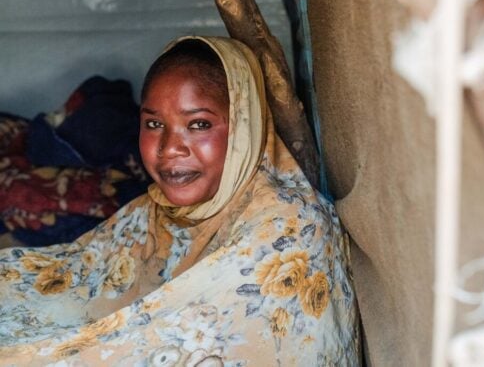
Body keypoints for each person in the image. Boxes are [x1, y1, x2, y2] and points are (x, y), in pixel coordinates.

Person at [0, 36, 360, 365]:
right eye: (154, 124)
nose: (170, 147)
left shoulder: (290, 230)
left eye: (199, 124)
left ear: (245, 124)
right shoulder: (154, 212)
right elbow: (79, 278)